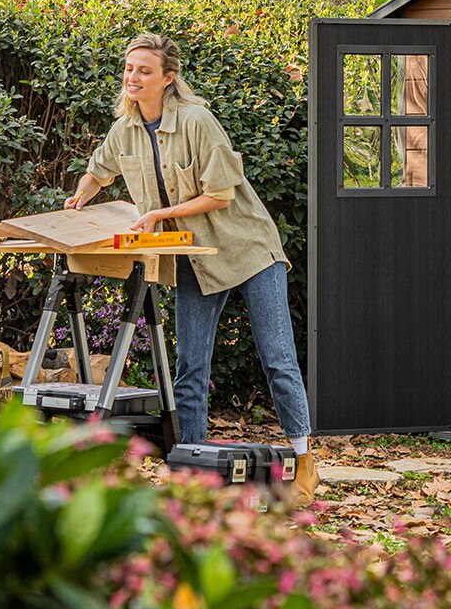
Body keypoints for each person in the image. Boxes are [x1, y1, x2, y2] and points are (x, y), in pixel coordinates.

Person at [64, 33, 318, 504]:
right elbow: (99, 170)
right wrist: (82, 195)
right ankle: (192, 471)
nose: (132, 77)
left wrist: (160, 216)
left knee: (277, 359)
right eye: (128, 68)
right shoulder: (125, 129)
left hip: (248, 251)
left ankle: (304, 460)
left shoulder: (198, 121)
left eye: (144, 70)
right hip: (193, 260)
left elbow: (220, 195)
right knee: (190, 368)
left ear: (168, 78)